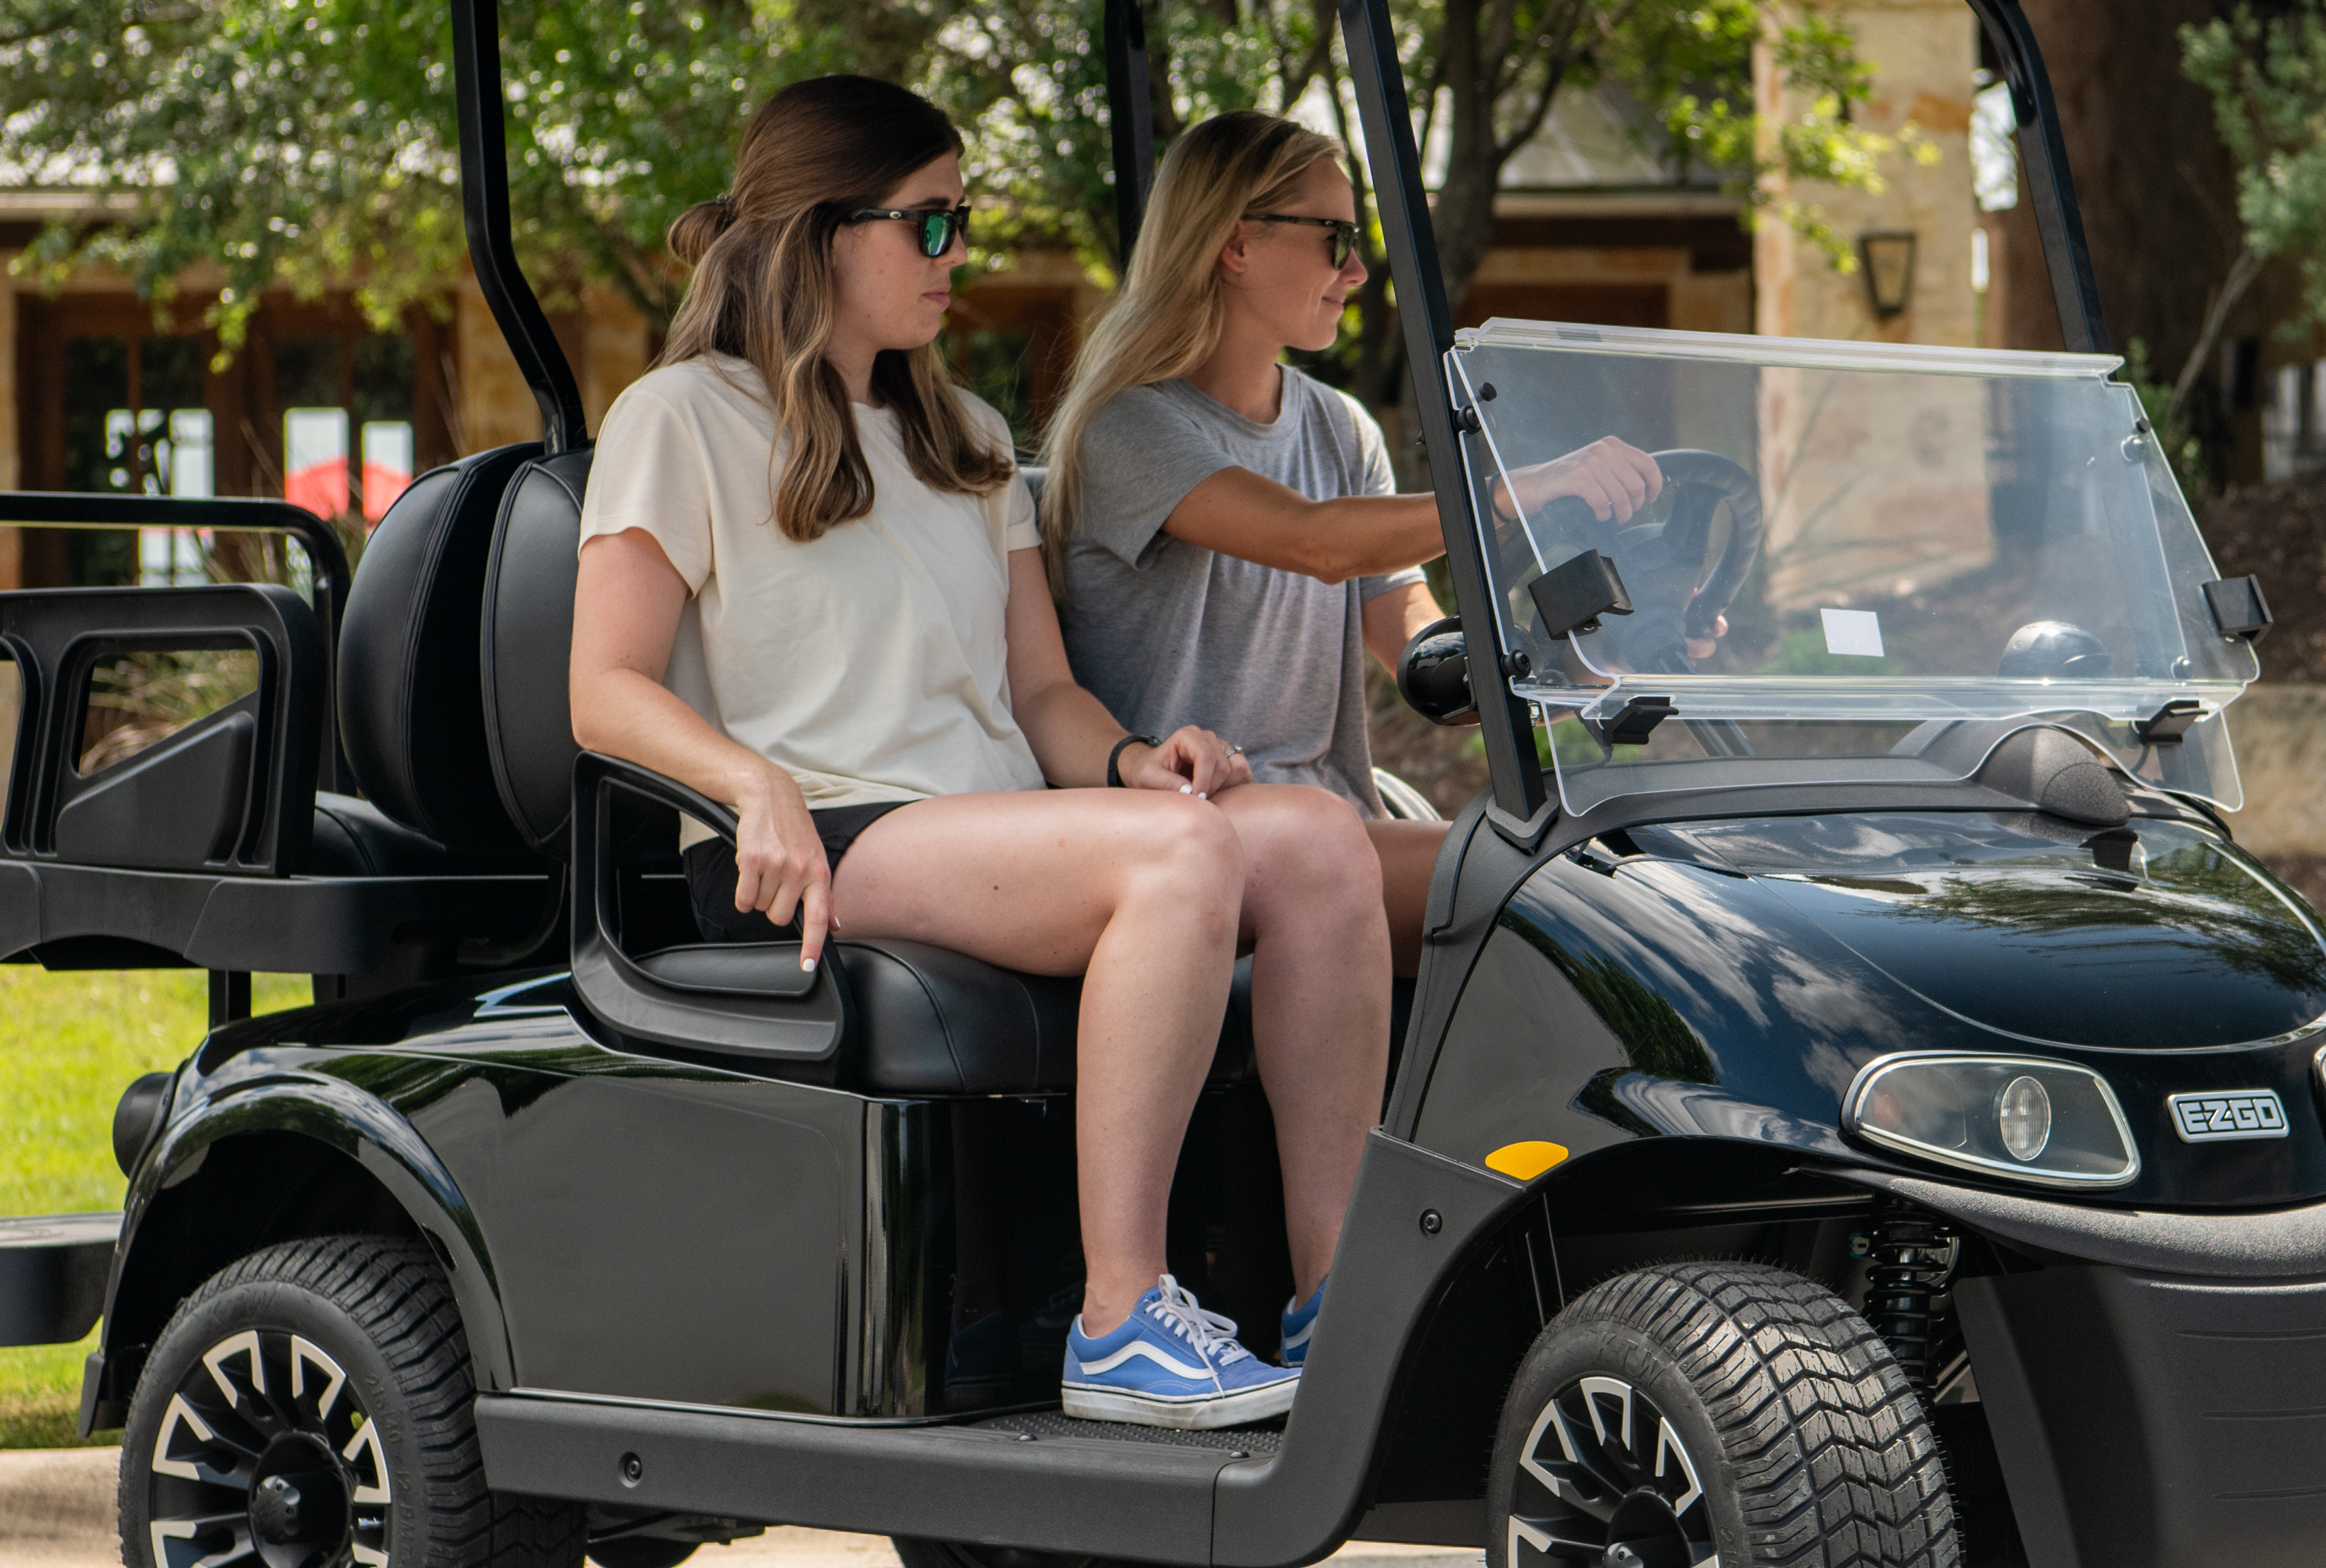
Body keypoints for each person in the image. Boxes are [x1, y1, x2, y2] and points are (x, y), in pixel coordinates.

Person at [567, 75, 1392, 1430]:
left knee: (1308, 840)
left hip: (978, 828)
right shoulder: (684, 419)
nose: (965, 254)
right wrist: (747, 782)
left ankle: (1337, 1297)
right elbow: (604, 690)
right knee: (1184, 863)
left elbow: (1042, 691)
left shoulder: (968, 440)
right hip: (815, 840)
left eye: (967, 220)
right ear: (824, 232)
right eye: (934, 225)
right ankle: (1124, 1317)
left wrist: (1133, 762)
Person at [1038, 109, 1667, 973]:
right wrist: (1517, 492)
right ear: (1235, 244)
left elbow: (1409, 633)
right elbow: (1312, 542)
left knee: (1620, 876)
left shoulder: (1339, 428)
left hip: (1329, 818)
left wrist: (1564, 669)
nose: (1360, 271)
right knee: (1554, 893)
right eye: (1336, 239)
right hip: (1186, 827)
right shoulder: (1130, 428)